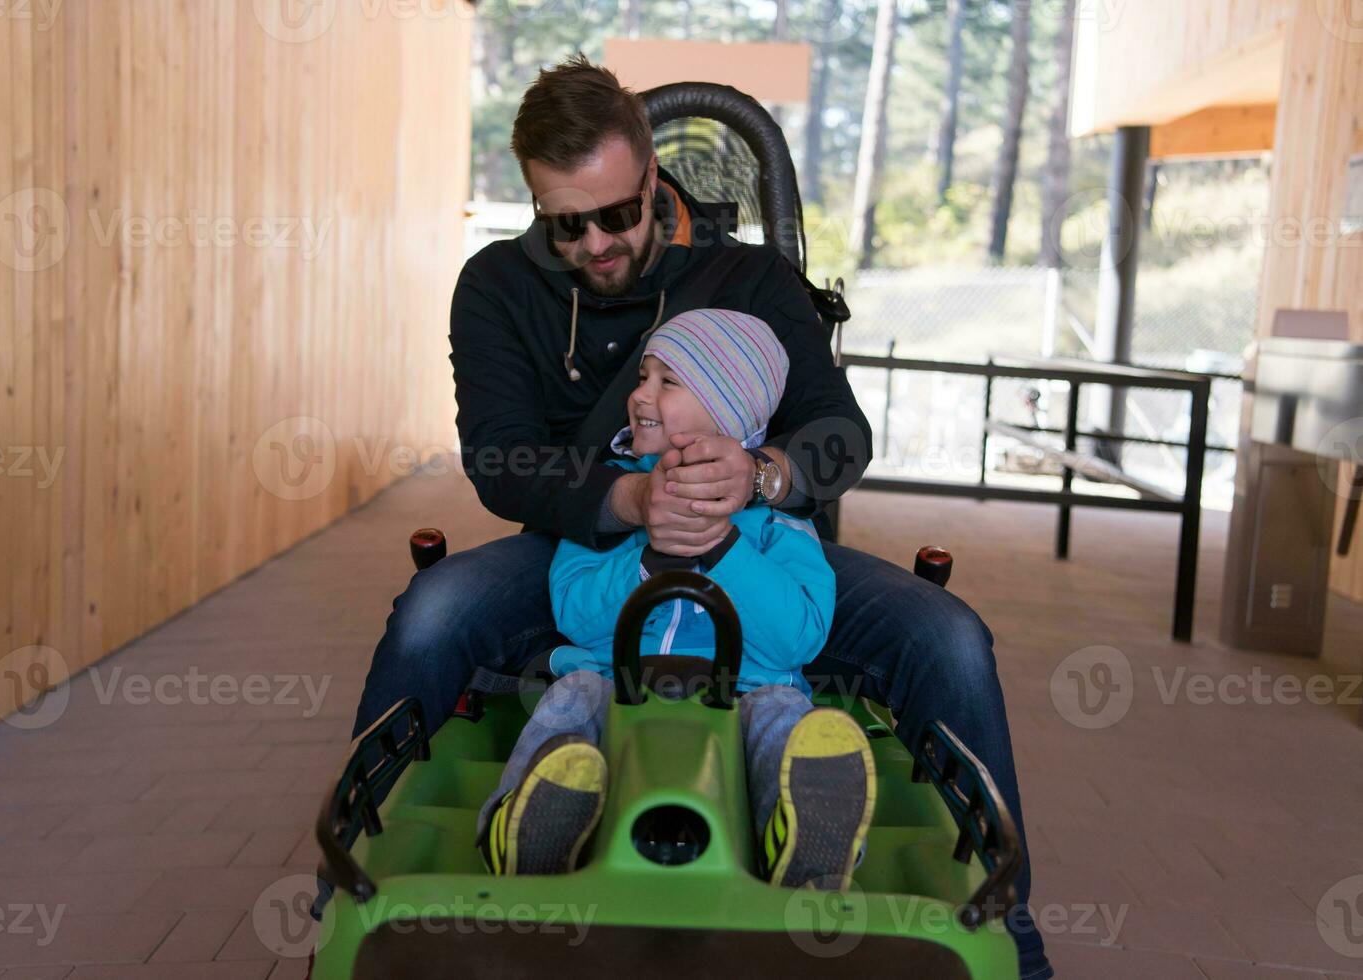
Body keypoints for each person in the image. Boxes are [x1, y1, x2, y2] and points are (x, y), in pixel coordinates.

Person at [353, 54, 1051, 978]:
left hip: (755, 541)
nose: (597, 243)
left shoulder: (749, 277)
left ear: (654, 176)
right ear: (533, 200)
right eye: (567, 224)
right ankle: (351, 896)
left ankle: (1014, 931)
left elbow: (839, 432)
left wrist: (758, 475)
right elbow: (501, 458)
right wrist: (629, 500)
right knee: (432, 613)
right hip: (587, 543)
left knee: (950, 639)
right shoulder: (496, 287)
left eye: (618, 213)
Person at [476, 309, 876, 890]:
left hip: (743, 690)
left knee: (783, 713)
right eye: (644, 376)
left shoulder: (775, 521)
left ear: (729, 412)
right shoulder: (611, 495)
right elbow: (575, 611)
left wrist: (724, 549)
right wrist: (651, 559)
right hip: (618, 680)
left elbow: (801, 634)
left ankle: (804, 834)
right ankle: (523, 822)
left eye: (668, 382)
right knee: (573, 696)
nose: (639, 395)